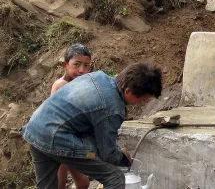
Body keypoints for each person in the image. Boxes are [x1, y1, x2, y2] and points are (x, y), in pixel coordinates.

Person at [20, 62, 162, 189]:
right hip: (56, 137)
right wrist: (123, 157)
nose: (140, 103)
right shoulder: (112, 109)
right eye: (141, 99)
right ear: (128, 91)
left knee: (46, 186)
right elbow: (108, 154)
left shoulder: (98, 77)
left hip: (35, 130)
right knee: (115, 178)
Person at [51, 43, 92, 189]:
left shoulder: (78, 84)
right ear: (65, 65)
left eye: (86, 66)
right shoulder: (62, 85)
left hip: (71, 141)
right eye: (77, 65)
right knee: (59, 185)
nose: (82, 70)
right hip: (58, 142)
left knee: (83, 183)